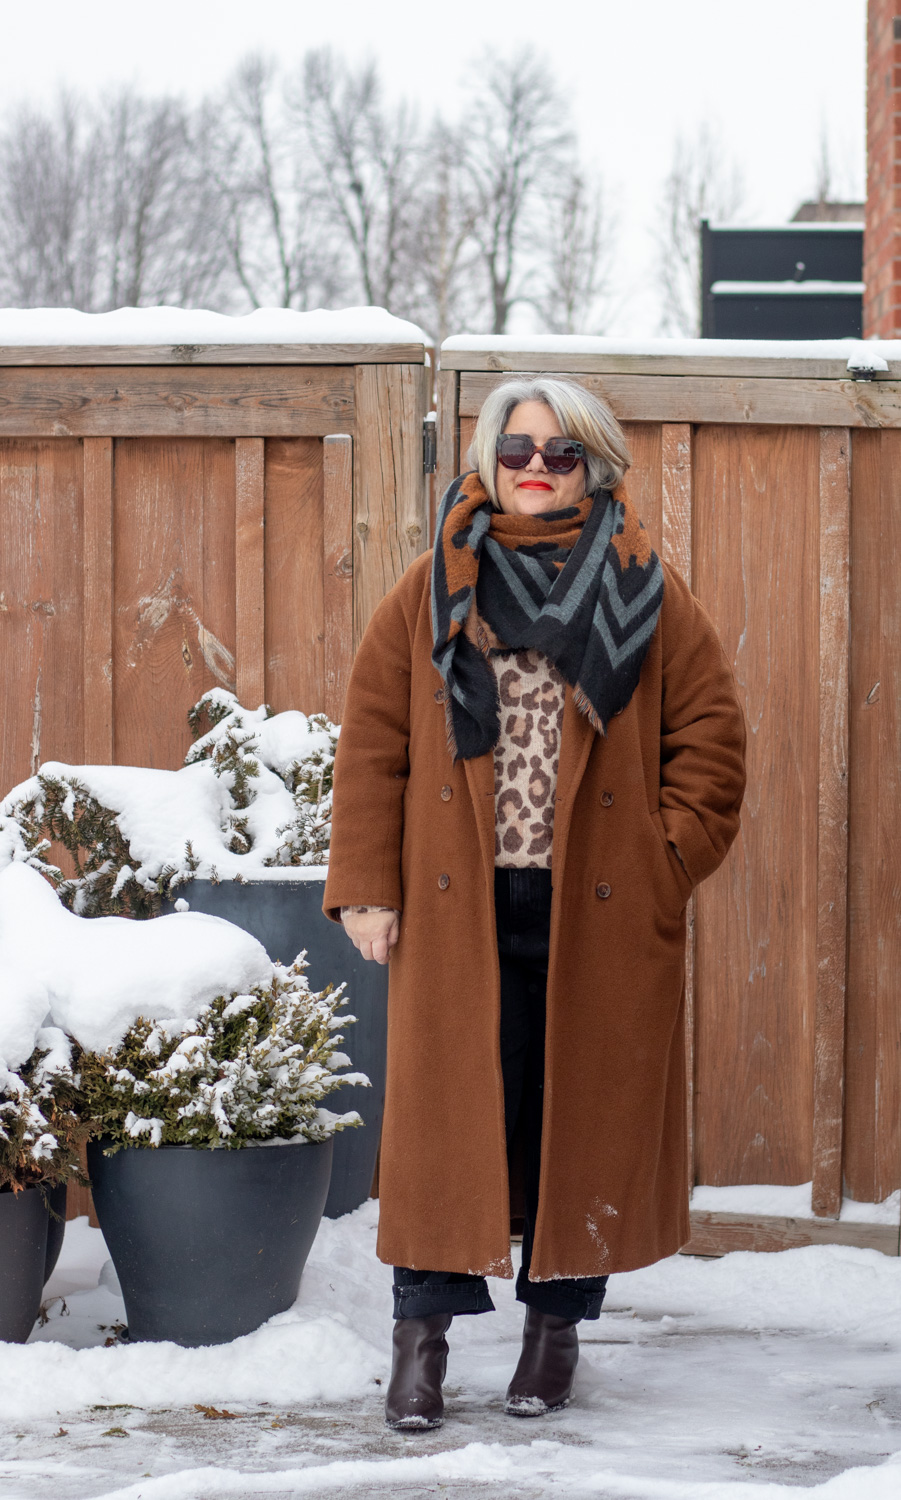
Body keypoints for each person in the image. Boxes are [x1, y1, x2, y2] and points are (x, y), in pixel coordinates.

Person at [323, 376, 746, 1430]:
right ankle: (418, 1343)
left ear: (593, 467)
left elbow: (713, 743)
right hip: (451, 910)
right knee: (444, 1132)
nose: (536, 471)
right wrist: (367, 889)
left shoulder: (648, 589)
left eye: (561, 456)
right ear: (486, 457)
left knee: (575, 1128)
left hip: (595, 912)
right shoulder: (428, 588)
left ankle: (553, 1335)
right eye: (517, 451)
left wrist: (663, 858)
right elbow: (372, 747)